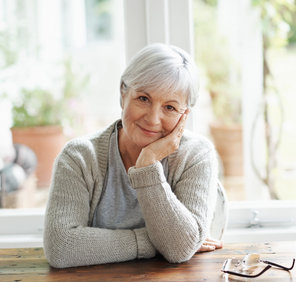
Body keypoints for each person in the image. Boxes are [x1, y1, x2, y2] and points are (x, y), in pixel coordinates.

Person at [44, 43, 225, 268]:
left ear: (184, 115)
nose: (152, 119)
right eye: (143, 99)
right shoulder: (79, 157)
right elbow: (61, 247)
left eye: (169, 107)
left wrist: (148, 165)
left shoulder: (196, 155)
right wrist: (154, 242)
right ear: (123, 93)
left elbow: (179, 250)